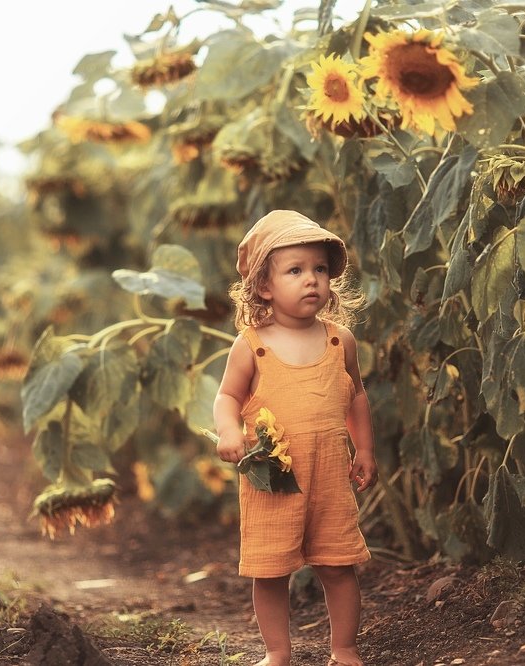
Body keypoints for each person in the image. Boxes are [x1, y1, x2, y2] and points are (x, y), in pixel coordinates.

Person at [214, 209, 377, 666]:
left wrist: (363, 448)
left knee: (337, 565)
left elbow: (357, 397)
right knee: (269, 571)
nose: (312, 280)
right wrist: (229, 429)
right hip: (274, 474)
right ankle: (276, 653)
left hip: (328, 475)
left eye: (320, 269)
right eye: (296, 270)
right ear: (264, 286)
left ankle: (344, 648)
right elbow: (227, 395)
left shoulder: (338, 340)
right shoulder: (252, 344)